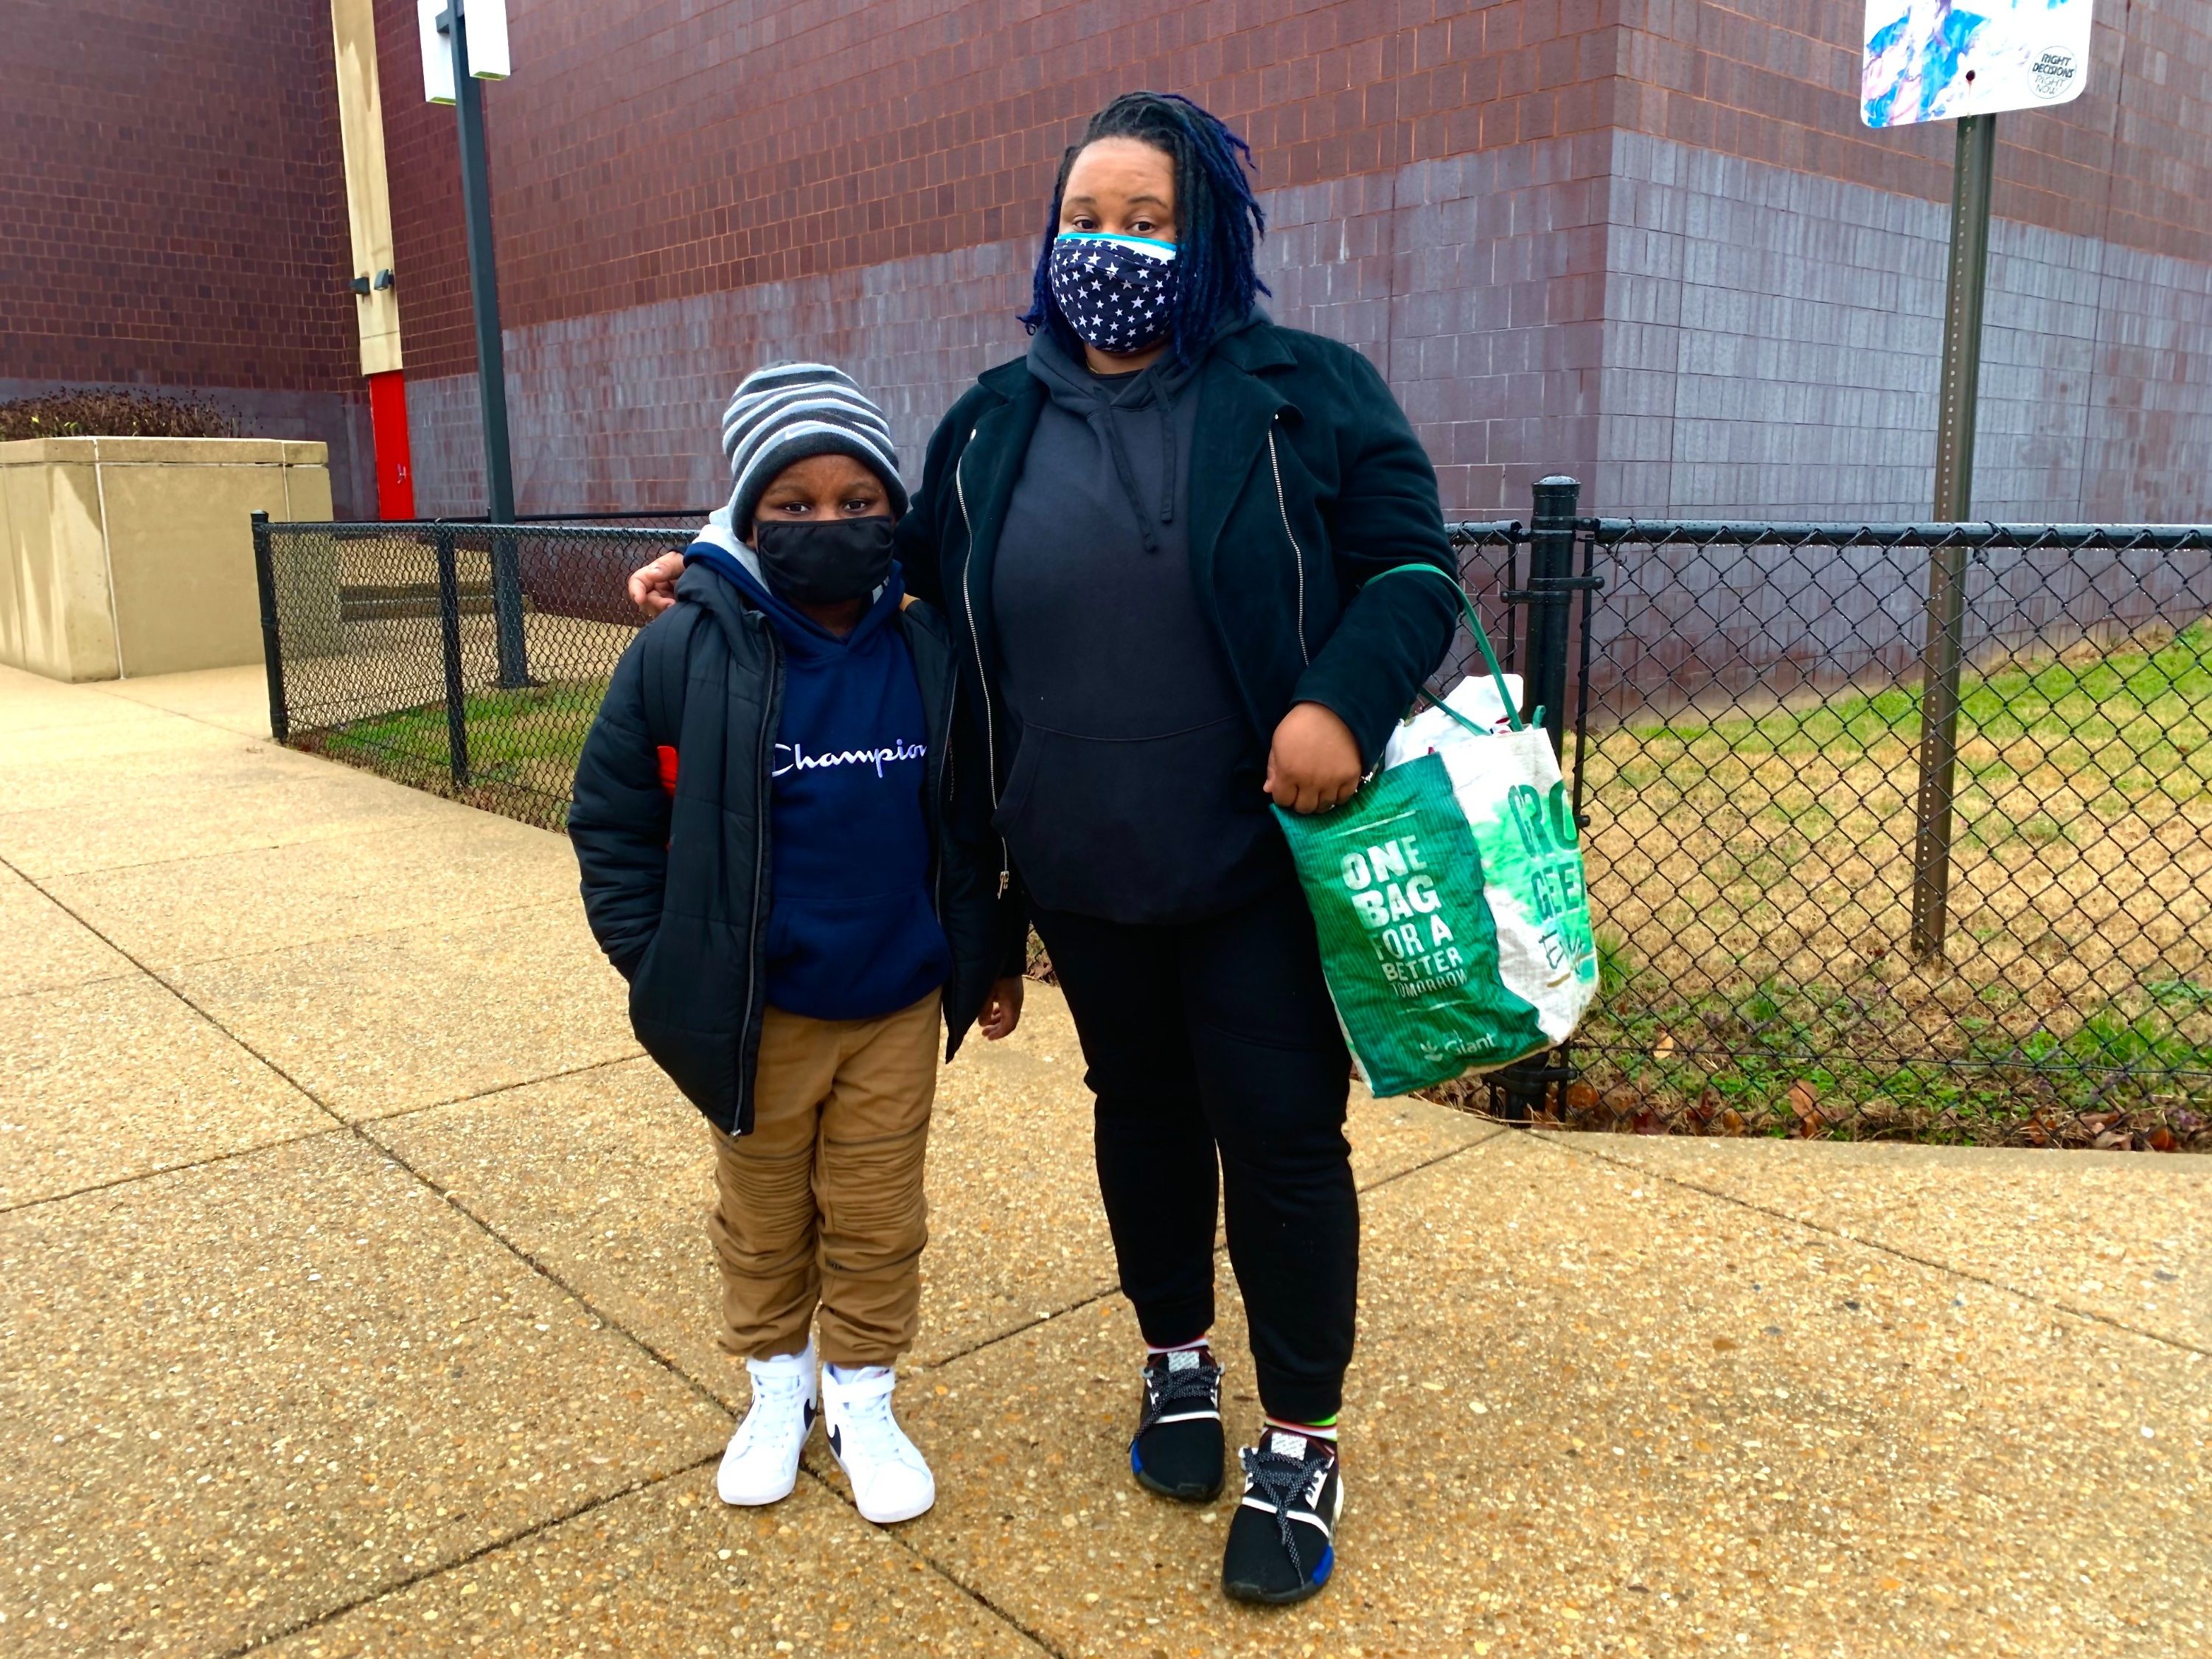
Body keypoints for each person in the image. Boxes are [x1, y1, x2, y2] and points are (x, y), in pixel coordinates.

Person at [628, 94, 1458, 1604]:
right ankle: (1176, 1360)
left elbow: (1412, 564)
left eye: (1149, 220)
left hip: (1265, 862)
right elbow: (868, 560)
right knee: (1141, 1115)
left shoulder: (1308, 392)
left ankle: (1301, 1435)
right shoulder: (990, 426)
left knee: (1281, 1137)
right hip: (1083, 867)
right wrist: (720, 560)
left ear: (1211, 237)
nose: (1111, 245)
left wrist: (1341, 698)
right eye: (1087, 217)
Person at [574, 362, 1026, 1527]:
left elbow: (972, 817)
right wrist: (664, 963)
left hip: (894, 1003)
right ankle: (778, 1385)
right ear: (748, 516)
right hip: (758, 1009)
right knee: (764, 1214)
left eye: (858, 500)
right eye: (795, 504)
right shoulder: (685, 650)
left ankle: (862, 1395)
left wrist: (987, 947)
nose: (830, 523)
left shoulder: (929, 646)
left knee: (878, 1215)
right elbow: (613, 821)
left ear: (894, 512)